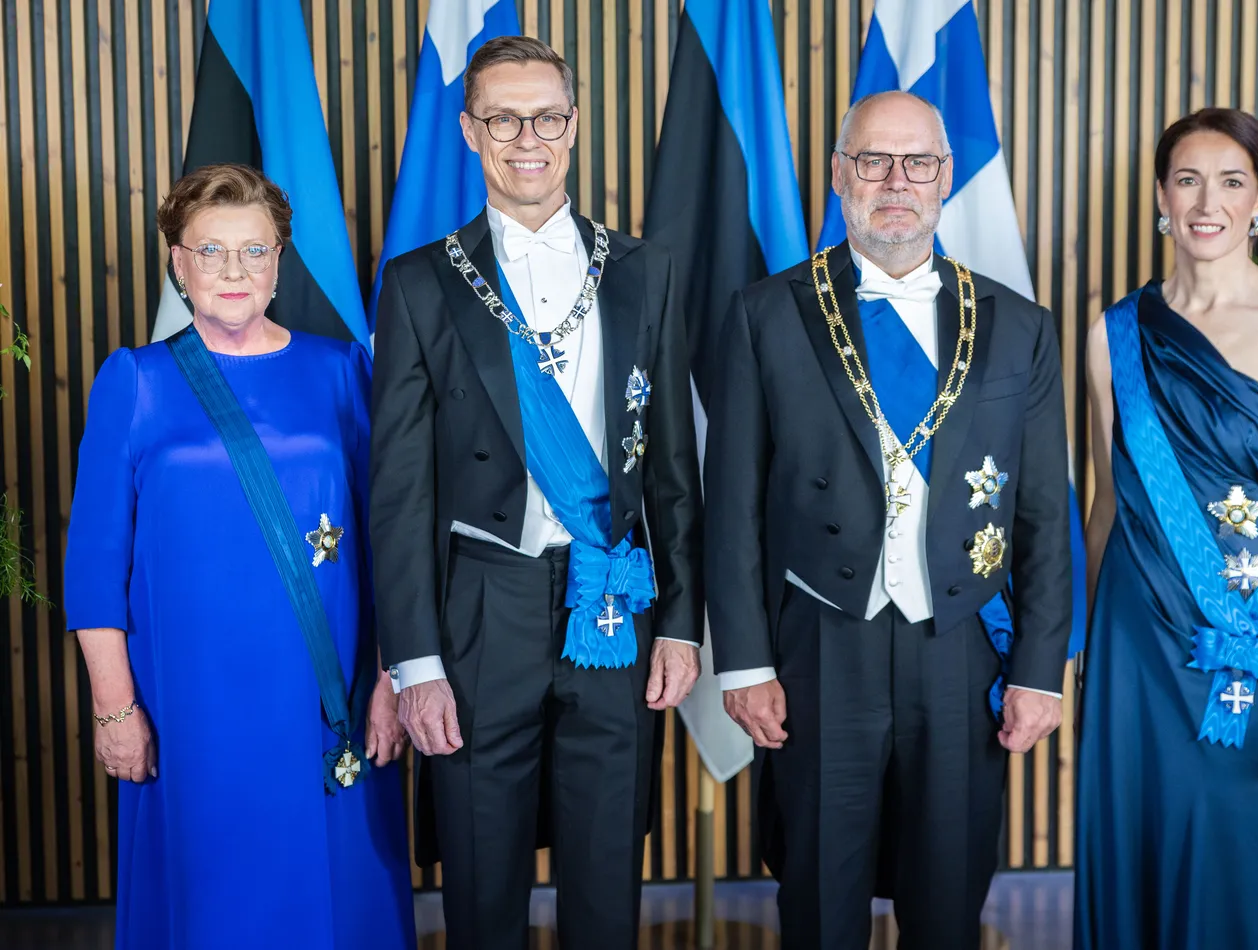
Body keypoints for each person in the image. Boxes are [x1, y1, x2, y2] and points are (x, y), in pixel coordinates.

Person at [704, 90, 1073, 950]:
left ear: (947, 177)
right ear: (839, 176)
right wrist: (746, 662)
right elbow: (731, 508)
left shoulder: (1020, 329)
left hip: (962, 649)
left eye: (917, 163)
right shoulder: (766, 315)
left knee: (947, 902)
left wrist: (1040, 670)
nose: (895, 181)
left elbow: (1044, 517)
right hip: (821, 649)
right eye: (873, 160)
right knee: (820, 901)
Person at [369, 35, 704, 949]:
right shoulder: (422, 284)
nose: (528, 137)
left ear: (575, 124)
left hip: (613, 602)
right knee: (483, 886)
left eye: (546, 116)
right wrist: (417, 664)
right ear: (471, 131)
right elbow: (397, 491)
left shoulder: (645, 268)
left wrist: (679, 619)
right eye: (503, 118)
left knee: (607, 883)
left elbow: (673, 465)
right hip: (484, 608)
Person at [63, 163, 415, 949]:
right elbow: (94, 566)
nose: (233, 271)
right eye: (211, 251)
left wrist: (394, 678)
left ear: (280, 261)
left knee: (338, 897)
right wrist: (116, 710)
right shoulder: (137, 381)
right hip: (191, 707)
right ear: (178, 264)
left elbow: (390, 537)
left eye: (254, 251)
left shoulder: (342, 370)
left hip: (330, 699)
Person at [1075, 107, 1258, 948]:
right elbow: (1105, 507)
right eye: (1188, 180)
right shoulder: (1113, 337)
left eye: (1232, 181)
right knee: (1147, 858)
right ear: (1162, 197)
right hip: (1137, 655)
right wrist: (1080, 664)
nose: (1209, 201)